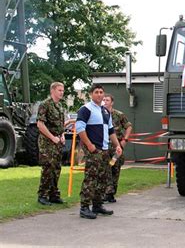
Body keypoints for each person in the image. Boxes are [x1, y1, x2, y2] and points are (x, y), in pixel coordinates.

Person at [75, 84, 122, 219]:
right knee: (91, 179)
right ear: (91, 94)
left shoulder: (105, 111)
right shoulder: (86, 109)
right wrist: (89, 145)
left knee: (103, 178)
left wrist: (117, 145)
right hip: (94, 151)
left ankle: (97, 205)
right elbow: (80, 128)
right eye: (96, 92)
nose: (99, 94)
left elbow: (111, 130)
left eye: (101, 92)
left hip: (105, 150)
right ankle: (84, 207)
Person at [36, 82, 66, 206]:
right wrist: (52, 137)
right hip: (47, 142)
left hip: (57, 142)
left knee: (56, 168)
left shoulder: (59, 107)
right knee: (48, 167)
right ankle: (42, 195)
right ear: (53, 91)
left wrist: (62, 136)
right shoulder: (45, 105)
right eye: (59, 90)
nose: (62, 92)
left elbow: (60, 125)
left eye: (63, 90)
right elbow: (40, 124)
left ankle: (54, 195)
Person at [103, 93, 132, 203]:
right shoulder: (100, 114)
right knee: (106, 169)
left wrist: (125, 140)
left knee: (115, 169)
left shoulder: (119, 115)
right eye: (104, 100)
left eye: (107, 100)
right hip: (104, 147)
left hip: (116, 149)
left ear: (112, 102)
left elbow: (128, 126)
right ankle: (107, 192)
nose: (105, 102)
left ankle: (111, 194)